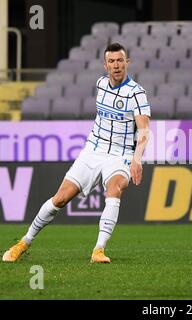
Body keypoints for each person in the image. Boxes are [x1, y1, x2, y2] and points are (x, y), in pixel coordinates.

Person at [2, 43, 151, 263]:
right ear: (105, 65)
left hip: (120, 155)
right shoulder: (101, 84)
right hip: (93, 150)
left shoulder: (137, 93)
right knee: (60, 199)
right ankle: (23, 242)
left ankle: (98, 250)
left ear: (127, 62)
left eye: (120, 60)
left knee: (115, 188)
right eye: (112, 61)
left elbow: (145, 130)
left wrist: (137, 158)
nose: (116, 65)